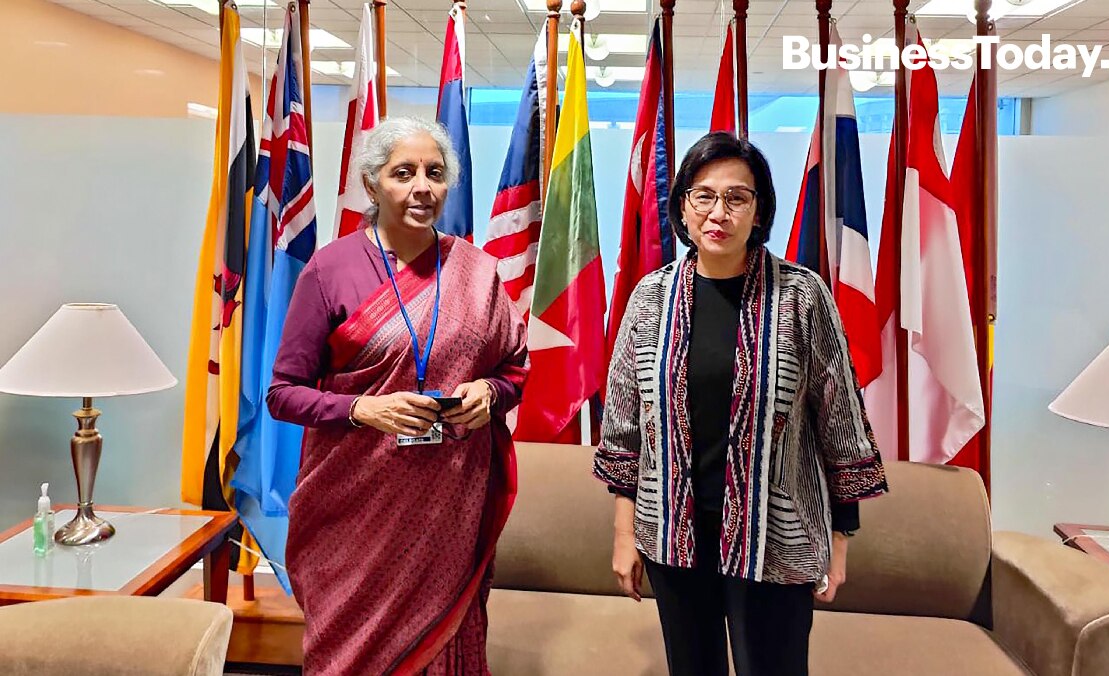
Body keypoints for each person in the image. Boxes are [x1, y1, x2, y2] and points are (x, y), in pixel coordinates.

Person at [594, 132, 888, 676]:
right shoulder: (650, 298)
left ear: (759, 211)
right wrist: (623, 534)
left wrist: (840, 541)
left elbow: (841, 423)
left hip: (776, 538)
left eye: (737, 198)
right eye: (703, 195)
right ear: (683, 205)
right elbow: (623, 431)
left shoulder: (801, 295)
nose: (718, 212)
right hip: (671, 537)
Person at [266, 116, 528, 675]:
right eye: (403, 173)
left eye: (434, 173)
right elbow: (283, 394)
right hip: (352, 508)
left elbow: (514, 369)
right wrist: (363, 409)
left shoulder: (477, 271)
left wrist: (489, 390)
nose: (421, 188)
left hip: (448, 507)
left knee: (446, 642)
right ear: (372, 184)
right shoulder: (330, 269)